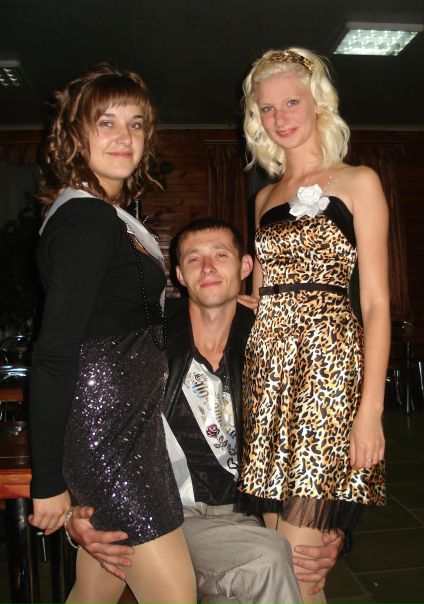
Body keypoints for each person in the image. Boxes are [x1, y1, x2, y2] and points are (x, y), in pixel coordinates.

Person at [67, 218, 344, 604]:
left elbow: (316, 441)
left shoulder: (276, 342)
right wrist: (72, 509)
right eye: (194, 259)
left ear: (245, 267)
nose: (208, 267)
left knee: (304, 573)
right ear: (180, 275)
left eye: (220, 255)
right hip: (164, 514)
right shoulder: (147, 341)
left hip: (249, 511)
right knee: (266, 560)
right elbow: (93, 417)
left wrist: (331, 527)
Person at [28, 63, 196, 604]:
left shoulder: (103, 215)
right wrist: (48, 481)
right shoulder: (88, 221)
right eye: (106, 122)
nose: (124, 137)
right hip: (109, 438)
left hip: (129, 428)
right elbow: (53, 353)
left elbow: (126, 317)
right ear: (75, 133)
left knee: (97, 588)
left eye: (136, 124)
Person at [237, 48, 390, 604]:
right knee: (278, 563)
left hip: (329, 376)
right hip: (267, 376)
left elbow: (375, 303)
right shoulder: (263, 197)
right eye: (267, 108)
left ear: (318, 103)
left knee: (299, 564)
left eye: (291, 102)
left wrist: (370, 410)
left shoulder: (359, 181)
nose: (280, 118)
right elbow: (261, 296)